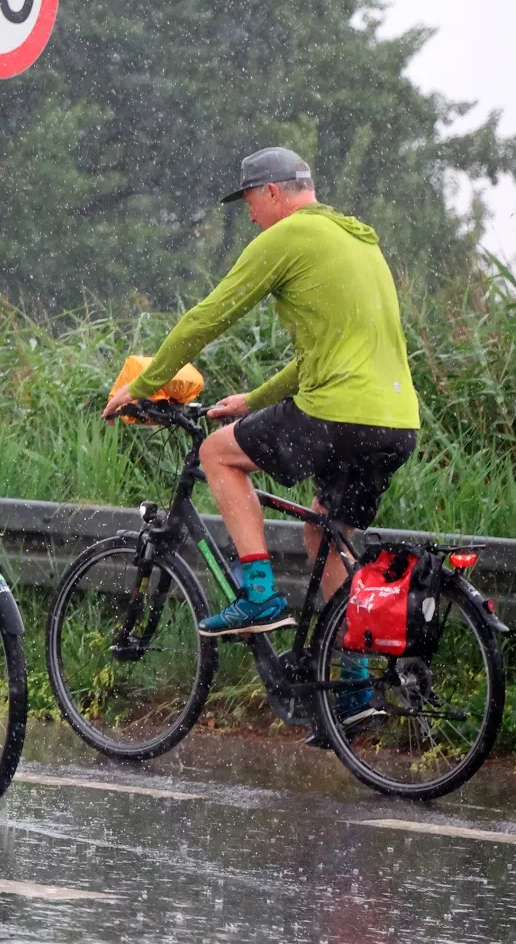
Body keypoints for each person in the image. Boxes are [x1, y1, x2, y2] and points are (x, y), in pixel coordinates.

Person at [103, 147, 419, 727]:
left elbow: (207, 318)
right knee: (325, 532)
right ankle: (353, 689)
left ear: (273, 192)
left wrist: (142, 386)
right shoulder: (358, 241)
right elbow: (326, 352)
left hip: (338, 412)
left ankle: (258, 593)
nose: (249, 216)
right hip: (396, 423)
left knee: (216, 454)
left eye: (249, 200)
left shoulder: (288, 236)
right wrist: (253, 401)